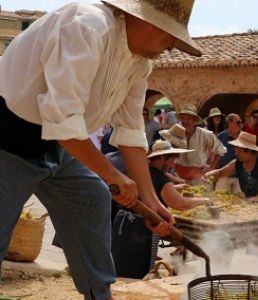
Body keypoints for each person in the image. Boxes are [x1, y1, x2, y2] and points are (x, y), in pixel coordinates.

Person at [0, 0, 201, 299]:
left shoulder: (140, 63)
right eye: (170, 36)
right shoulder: (87, 26)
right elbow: (63, 118)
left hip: (56, 143)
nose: (170, 46)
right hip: (7, 137)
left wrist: (150, 199)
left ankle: (98, 293)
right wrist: (111, 173)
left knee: (92, 197)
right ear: (147, 21)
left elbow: (131, 131)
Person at [107, 140, 212, 279]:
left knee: (121, 270)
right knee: (140, 274)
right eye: (172, 159)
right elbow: (178, 203)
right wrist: (204, 201)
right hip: (140, 228)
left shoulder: (140, 172)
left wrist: (173, 188)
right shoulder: (159, 176)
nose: (173, 164)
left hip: (122, 222)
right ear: (163, 158)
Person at [204, 132, 258, 259]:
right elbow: (221, 172)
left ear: (248, 151)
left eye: (238, 150)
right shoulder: (237, 163)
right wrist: (207, 176)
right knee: (254, 244)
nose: (236, 152)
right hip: (252, 208)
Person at [175, 104, 226, 183]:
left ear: (194, 120)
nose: (185, 121)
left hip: (199, 177)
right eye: (183, 118)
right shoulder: (176, 133)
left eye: (188, 118)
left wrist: (211, 167)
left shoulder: (205, 134)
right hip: (179, 177)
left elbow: (220, 150)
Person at [216, 113, 242, 193]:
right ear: (230, 123)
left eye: (241, 122)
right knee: (220, 200)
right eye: (238, 122)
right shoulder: (221, 137)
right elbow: (216, 155)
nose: (240, 124)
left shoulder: (243, 136)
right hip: (223, 175)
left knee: (240, 202)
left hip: (240, 177)